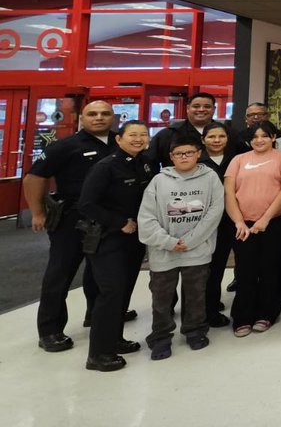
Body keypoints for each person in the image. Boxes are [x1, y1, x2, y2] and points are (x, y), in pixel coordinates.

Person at [26, 100, 115, 354]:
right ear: (81, 118)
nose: (99, 118)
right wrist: (37, 212)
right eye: (92, 114)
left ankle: (95, 314)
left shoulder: (120, 142)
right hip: (71, 219)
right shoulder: (65, 146)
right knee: (60, 273)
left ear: (113, 117)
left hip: (108, 218)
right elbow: (34, 177)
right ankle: (50, 330)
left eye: (105, 113)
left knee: (102, 271)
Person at [137, 131, 225, 360]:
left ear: (198, 154)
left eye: (189, 153)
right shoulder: (159, 181)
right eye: (179, 154)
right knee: (161, 297)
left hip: (197, 250)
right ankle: (160, 337)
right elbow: (146, 217)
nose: (184, 157)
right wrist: (168, 242)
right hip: (164, 251)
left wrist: (191, 241)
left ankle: (195, 330)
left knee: (196, 294)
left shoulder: (211, 178)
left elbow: (215, 212)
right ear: (171, 156)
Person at [77, 120, 155, 371]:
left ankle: (114, 340)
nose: (138, 139)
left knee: (123, 292)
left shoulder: (145, 163)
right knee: (110, 293)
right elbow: (86, 204)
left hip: (134, 239)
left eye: (143, 134)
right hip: (108, 238)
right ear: (119, 139)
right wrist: (119, 222)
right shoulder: (106, 167)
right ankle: (98, 354)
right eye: (132, 135)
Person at [224, 120, 281, 336]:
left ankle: (267, 313)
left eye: (264, 135)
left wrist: (265, 218)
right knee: (245, 270)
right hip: (243, 225)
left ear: (273, 137)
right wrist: (238, 221)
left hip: (274, 223)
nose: (259, 140)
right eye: (255, 137)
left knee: (269, 269)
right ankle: (242, 316)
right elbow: (229, 193)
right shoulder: (238, 160)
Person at [199, 122, 236, 328]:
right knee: (203, 269)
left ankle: (211, 305)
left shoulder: (235, 159)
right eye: (211, 137)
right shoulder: (197, 161)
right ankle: (203, 311)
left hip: (229, 221)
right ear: (203, 140)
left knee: (219, 265)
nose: (216, 140)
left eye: (221, 136)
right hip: (203, 223)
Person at [145, 92, 225, 168]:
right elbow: (151, 162)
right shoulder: (167, 134)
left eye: (207, 106)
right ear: (188, 108)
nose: (201, 109)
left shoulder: (228, 133)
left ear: (214, 109)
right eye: (196, 106)